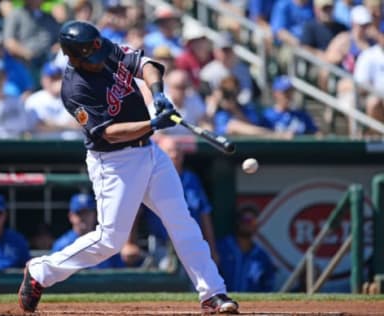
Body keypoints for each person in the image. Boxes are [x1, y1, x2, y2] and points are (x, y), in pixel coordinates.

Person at [18, 20, 239, 315]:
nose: (99, 61)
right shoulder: (74, 89)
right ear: (73, 57)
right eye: (90, 58)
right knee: (110, 240)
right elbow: (110, 133)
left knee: (182, 222)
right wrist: (151, 123)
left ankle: (213, 293)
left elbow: (146, 64)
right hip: (114, 162)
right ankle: (41, 272)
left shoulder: (103, 49)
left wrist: (158, 93)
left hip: (150, 153)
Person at [140, 136, 220, 267]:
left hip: (191, 243)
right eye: (170, 151)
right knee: (168, 272)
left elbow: (204, 214)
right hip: (162, 244)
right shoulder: (150, 179)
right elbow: (134, 212)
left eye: (178, 150)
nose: (175, 154)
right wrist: (128, 243)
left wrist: (212, 248)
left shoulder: (191, 179)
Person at [51, 193, 140, 269]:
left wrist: (129, 261)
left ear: (95, 214)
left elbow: (120, 272)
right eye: (80, 213)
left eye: (87, 213)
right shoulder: (62, 245)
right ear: (71, 216)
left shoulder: (106, 241)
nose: (84, 218)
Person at [216, 206, 276, 292]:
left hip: (252, 303)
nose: (249, 224)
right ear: (238, 222)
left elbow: (268, 285)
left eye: (253, 221)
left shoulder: (262, 256)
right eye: (246, 220)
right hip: (223, 301)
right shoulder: (222, 247)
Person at [25, 62, 81, 140]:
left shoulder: (73, 98)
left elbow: (81, 123)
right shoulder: (34, 99)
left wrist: (53, 125)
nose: (56, 81)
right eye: (52, 78)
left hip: (70, 146)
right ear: (43, 80)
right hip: (45, 146)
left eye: (58, 77)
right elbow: (39, 126)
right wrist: (67, 126)